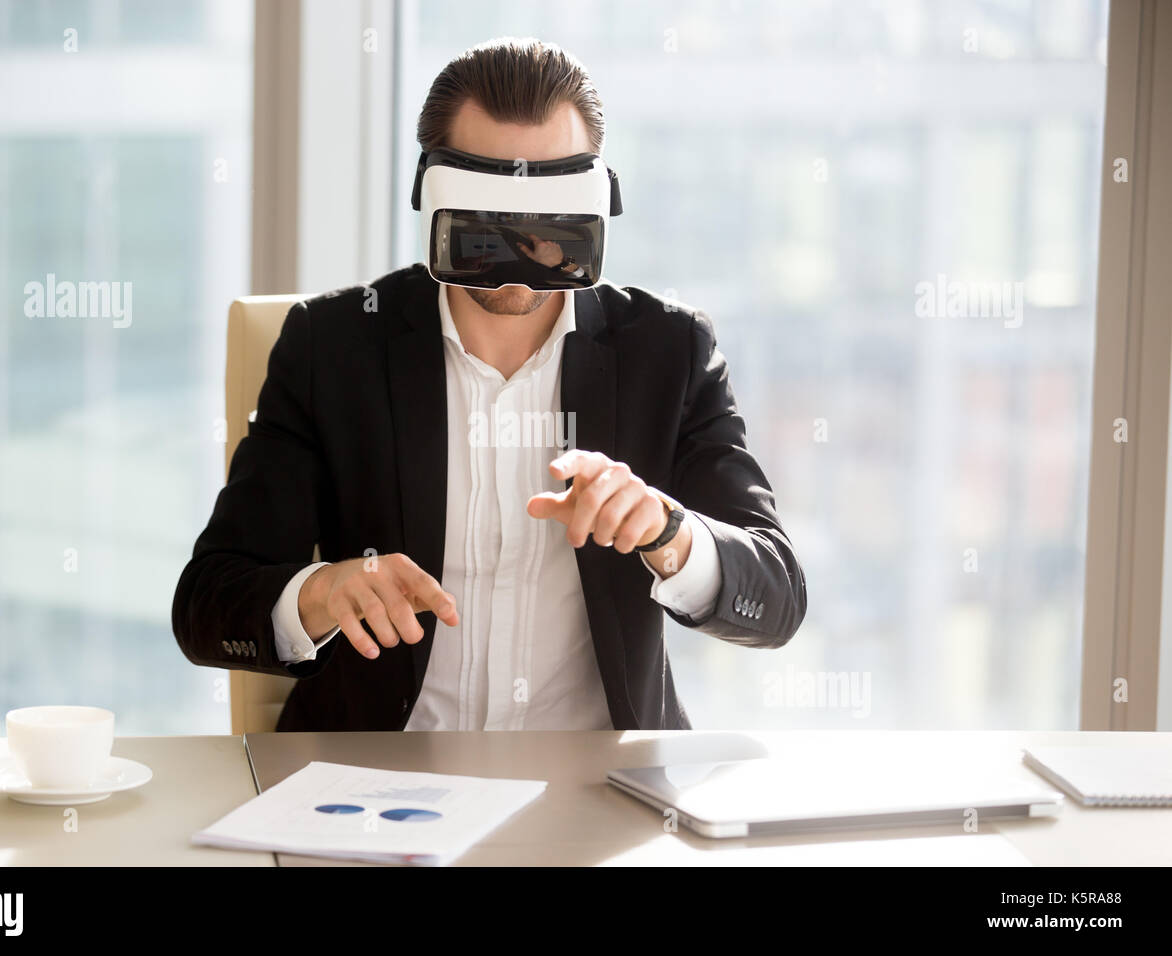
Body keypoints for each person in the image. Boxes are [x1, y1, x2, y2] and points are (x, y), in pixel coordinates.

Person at [172, 37, 807, 732]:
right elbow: (206, 605)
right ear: (432, 198)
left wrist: (668, 533)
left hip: (598, 792)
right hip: (375, 788)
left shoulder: (669, 351)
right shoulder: (333, 347)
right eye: (487, 225)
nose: (517, 258)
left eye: (549, 229)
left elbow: (776, 599)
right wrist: (322, 593)